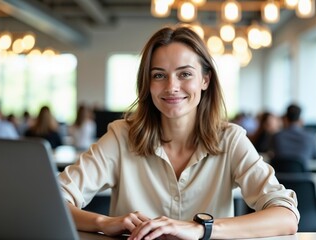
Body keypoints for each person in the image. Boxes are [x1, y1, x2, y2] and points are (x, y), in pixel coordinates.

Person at [58, 26, 299, 240]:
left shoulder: (231, 139)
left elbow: (286, 216)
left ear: (205, 80)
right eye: (159, 75)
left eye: (185, 74)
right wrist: (103, 222)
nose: (171, 86)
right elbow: (53, 200)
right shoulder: (121, 137)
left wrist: (201, 229)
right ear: (148, 84)